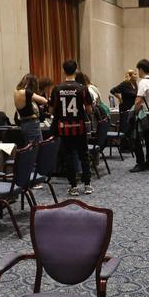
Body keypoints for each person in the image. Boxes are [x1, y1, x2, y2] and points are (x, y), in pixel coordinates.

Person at [51, 59, 94, 196]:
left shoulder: (57, 88)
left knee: (68, 156)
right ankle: (87, 184)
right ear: (76, 70)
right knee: (84, 155)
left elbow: (51, 110)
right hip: (79, 127)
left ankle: (73, 186)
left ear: (63, 71)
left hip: (64, 128)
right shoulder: (82, 88)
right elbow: (89, 110)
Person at [130, 58, 149, 173]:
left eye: (138, 70)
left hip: (143, 115)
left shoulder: (143, 82)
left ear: (141, 69)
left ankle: (140, 163)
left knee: (136, 138)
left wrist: (134, 113)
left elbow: (138, 101)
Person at [13, 74, 48, 145]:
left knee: (29, 146)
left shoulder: (16, 91)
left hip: (23, 123)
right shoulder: (27, 92)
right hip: (32, 124)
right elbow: (44, 101)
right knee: (36, 147)